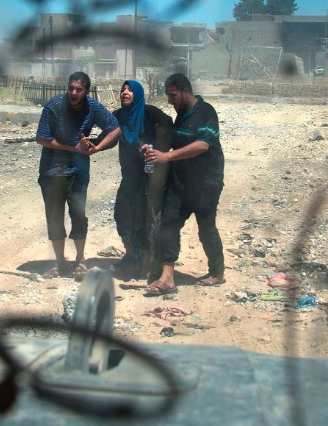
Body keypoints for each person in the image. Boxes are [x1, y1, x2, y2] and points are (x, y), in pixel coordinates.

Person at [141, 73, 226, 295]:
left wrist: (166, 157)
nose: (170, 100)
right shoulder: (181, 116)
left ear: (185, 92)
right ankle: (167, 277)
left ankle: (217, 272)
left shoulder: (206, 112)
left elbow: (202, 145)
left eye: (172, 95)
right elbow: (176, 146)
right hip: (180, 184)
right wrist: (154, 152)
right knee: (168, 226)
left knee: (206, 228)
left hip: (206, 184)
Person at [34, 71, 121, 279]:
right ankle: (59, 261)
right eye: (71, 88)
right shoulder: (54, 106)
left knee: (79, 216)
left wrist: (97, 147)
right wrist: (74, 148)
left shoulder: (92, 107)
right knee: (54, 217)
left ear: (86, 91)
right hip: (51, 171)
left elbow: (115, 129)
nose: (74, 92)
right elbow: (42, 138)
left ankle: (80, 260)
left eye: (79, 89)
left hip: (78, 172)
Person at [90, 80, 173, 281]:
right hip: (129, 177)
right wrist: (91, 144)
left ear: (137, 93)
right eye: (122, 90)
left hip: (151, 178)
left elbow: (170, 130)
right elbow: (106, 139)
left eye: (129, 90)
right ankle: (130, 255)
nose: (125, 92)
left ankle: (151, 261)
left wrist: (155, 147)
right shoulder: (118, 116)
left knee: (149, 218)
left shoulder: (151, 113)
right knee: (123, 214)